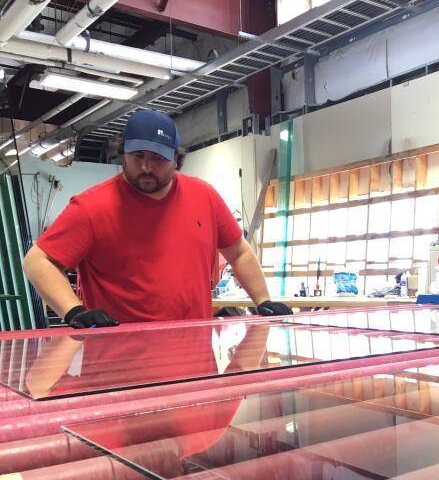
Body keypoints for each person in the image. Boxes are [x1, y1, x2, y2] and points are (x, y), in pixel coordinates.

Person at [22, 109, 292, 328]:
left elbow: (239, 251)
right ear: (123, 153)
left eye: (157, 158)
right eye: (137, 156)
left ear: (176, 158)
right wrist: (73, 310)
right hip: (119, 364)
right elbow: (38, 261)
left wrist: (262, 300)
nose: (146, 167)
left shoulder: (204, 196)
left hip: (194, 359)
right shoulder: (92, 207)